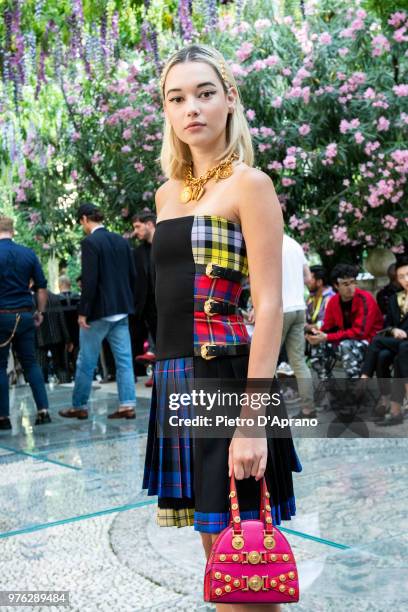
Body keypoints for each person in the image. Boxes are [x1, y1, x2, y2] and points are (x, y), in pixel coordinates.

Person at [142, 44, 302, 612]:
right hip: (178, 381)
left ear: (230, 99)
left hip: (231, 384)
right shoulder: (166, 195)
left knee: (247, 560)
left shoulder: (250, 185)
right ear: (165, 110)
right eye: (177, 97)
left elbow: (269, 309)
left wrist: (254, 423)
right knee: (219, 554)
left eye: (206, 93)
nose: (192, 109)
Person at [59, 204, 138, 420]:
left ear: (85, 219)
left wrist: (83, 312)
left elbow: (90, 280)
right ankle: (127, 405)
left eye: (81, 222)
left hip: (98, 313)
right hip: (121, 310)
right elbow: (132, 275)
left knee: (86, 361)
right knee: (124, 360)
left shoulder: (90, 242)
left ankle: (79, 405)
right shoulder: (121, 240)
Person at [0, 215, 50, 429]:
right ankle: (43, 410)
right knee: (30, 363)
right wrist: (40, 311)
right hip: (25, 315)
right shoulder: (28, 254)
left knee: (0, 367)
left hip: (1, 316)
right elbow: (41, 287)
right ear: (13, 230)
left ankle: (3, 418)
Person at [307, 263, 384, 379]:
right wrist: (316, 336)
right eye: (345, 284)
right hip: (346, 341)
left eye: (353, 282)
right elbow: (328, 327)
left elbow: (360, 332)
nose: (351, 287)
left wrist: (327, 337)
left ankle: (355, 390)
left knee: (345, 345)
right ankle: (331, 390)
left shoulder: (365, 299)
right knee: (317, 346)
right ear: (336, 286)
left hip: (370, 342)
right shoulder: (333, 301)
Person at [361, 256, 408, 426]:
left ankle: (365, 378)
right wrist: (394, 329)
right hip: (400, 345)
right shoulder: (395, 299)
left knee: (384, 346)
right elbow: (387, 325)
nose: (406, 280)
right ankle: (393, 406)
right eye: (401, 277)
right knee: (383, 355)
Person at [278, 234, 315, 418]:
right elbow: (309, 278)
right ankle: (308, 409)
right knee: (299, 362)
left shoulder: (267, 240)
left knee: (267, 361)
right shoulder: (295, 244)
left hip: (279, 309)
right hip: (299, 309)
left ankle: (265, 411)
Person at [131, 211, 158, 386]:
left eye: (137, 227)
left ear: (149, 224)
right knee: (154, 339)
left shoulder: (165, 245)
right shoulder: (138, 251)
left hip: (165, 302)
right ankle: (156, 373)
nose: (135, 232)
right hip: (145, 306)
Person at [305, 265, 335, 331]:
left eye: (310, 279)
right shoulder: (310, 298)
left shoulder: (331, 298)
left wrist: (307, 327)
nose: (306, 282)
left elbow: (326, 324)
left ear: (319, 282)